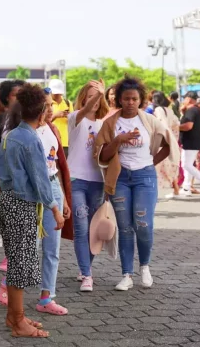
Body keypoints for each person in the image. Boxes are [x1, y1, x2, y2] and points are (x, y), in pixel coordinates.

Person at [95, 75, 179, 291]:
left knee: (144, 225)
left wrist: (152, 162)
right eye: (126, 99)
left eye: (134, 99)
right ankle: (126, 275)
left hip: (144, 178)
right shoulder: (111, 123)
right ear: (119, 100)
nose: (130, 102)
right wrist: (118, 140)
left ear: (140, 100)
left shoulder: (150, 121)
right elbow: (102, 154)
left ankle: (145, 267)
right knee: (124, 228)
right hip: (121, 178)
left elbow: (169, 143)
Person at [0, 83, 65, 338]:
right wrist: (55, 209)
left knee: (18, 262)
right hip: (21, 204)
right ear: (42, 111)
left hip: (8, 201)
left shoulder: (11, 135)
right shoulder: (29, 139)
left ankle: (15, 316)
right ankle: (18, 322)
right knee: (20, 265)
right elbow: (40, 179)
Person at [67, 80, 109, 291]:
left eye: (98, 96)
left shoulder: (104, 123)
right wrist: (99, 93)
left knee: (94, 230)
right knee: (81, 227)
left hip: (98, 182)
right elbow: (83, 111)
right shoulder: (75, 118)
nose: (94, 99)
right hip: (76, 180)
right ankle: (87, 274)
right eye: (90, 95)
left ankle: (85, 267)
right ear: (83, 98)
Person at [0, 80, 24, 250]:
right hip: (5, 177)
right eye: (15, 94)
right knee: (8, 216)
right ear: (6, 98)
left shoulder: (31, 119)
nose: (19, 98)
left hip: (26, 177)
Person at [179, 91, 200, 196]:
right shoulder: (196, 110)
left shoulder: (192, 110)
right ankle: (186, 187)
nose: (183, 100)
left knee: (186, 165)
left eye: (185, 98)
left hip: (191, 141)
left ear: (189, 99)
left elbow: (188, 126)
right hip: (193, 140)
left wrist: (174, 127)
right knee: (187, 163)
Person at [152, 92, 180, 199]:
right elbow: (176, 124)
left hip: (161, 140)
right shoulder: (169, 110)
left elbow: (161, 123)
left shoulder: (158, 110)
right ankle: (176, 189)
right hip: (170, 139)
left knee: (156, 167)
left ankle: (153, 192)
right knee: (170, 166)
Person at [50, 79, 73, 157]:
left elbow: (73, 122)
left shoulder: (68, 103)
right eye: (55, 93)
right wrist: (55, 115)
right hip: (51, 141)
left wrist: (69, 116)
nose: (57, 95)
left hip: (66, 142)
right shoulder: (47, 104)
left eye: (58, 93)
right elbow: (42, 122)